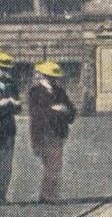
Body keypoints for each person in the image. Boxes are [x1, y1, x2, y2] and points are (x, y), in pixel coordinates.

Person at [28, 61, 76, 203]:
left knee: (55, 165)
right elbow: (36, 113)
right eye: (48, 77)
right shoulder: (35, 92)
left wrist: (65, 110)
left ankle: (47, 195)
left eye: (53, 77)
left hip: (58, 133)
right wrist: (54, 110)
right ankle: (48, 195)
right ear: (42, 76)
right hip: (42, 133)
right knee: (52, 165)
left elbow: (72, 111)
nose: (51, 80)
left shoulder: (60, 91)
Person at [0, 52, 19, 204]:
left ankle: (2, 195)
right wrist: (5, 101)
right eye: (2, 69)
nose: (5, 72)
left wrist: (17, 104)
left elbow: (17, 107)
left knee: (7, 164)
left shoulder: (12, 85)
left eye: (7, 69)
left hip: (8, 127)